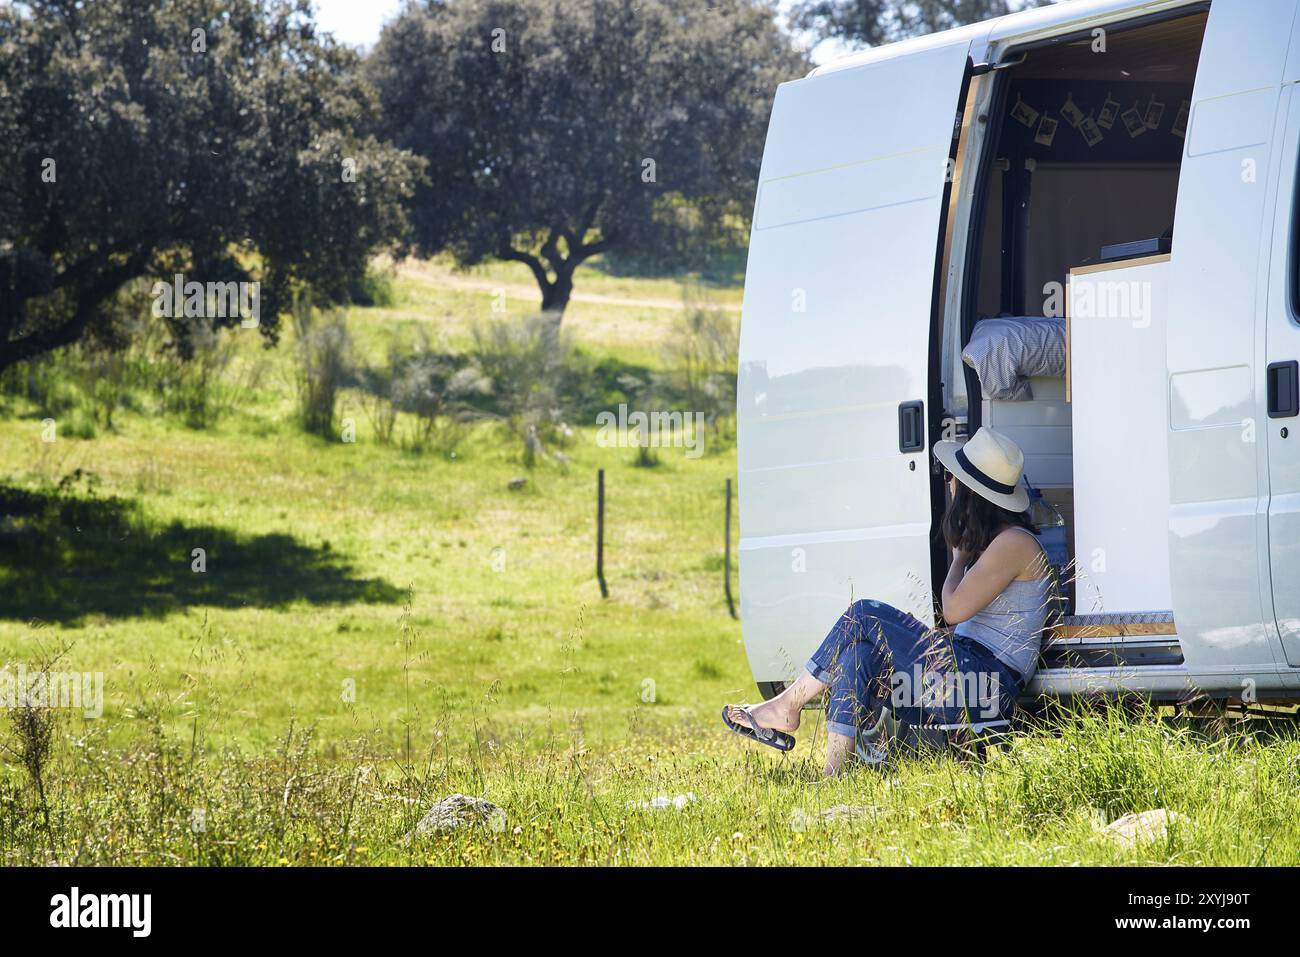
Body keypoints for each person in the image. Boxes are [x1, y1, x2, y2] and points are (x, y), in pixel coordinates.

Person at [722, 427, 1054, 775]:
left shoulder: (1014, 544)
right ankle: (833, 774)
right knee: (858, 653)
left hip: (985, 686)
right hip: (969, 679)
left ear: (972, 493)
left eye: (953, 479)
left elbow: (954, 611)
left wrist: (958, 559)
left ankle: (787, 705)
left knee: (864, 613)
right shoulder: (1002, 543)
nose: (950, 485)